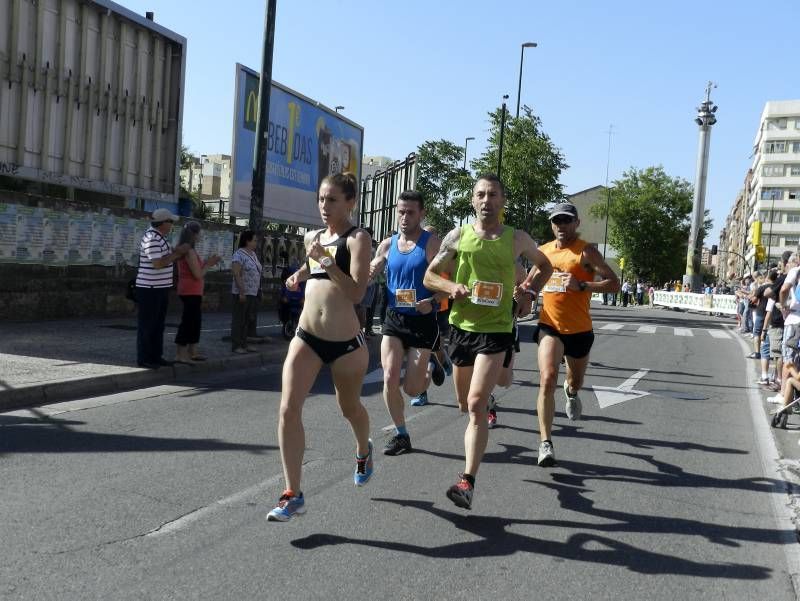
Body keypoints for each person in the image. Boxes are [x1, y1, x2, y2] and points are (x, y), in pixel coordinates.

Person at [423, 173, 553, 510]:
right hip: (461, 328)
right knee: (465, 405)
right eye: (480, 194)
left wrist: (528, 291)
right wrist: (451, 288)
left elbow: (545, 265)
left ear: (502, 201)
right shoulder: (458, 235)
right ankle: (485, 404)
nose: (486, 200)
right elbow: (430, 276)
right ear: (472, 200)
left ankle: (467, 481)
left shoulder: (516, 238)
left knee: (477, 404)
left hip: (496, 329)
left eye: (493, 194)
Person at [267, 173, 373, 522]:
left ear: (350, 203)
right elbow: (312, 262)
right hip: (307, 337)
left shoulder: (357, 239)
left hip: (346, 344)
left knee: (350, 408)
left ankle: (362, 449)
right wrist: (301, 272)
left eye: (332, 200)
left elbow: (357, 292)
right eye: (321, 199)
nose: (324, 207)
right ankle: (291, 493)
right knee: (287, 409)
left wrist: (326, 261)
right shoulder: (312, 236)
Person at [521, 202, 619, 467]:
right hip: (549, 325)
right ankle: (545, 443)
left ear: (576, 223)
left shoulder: (586, 251)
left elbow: (614, 283)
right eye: (556, 221)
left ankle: (572, 392)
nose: (560, 226)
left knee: (574, 381)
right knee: (547, 376)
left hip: (579, 330)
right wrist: (523, 291)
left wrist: (583, 285)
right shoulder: (543, 252)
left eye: (566, 220)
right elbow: (530, 283)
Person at [369, 190, 444, 456]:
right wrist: (371, 272)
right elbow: (367, 279)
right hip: (393, 319)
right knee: (389, 377)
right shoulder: (387, 246)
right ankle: (401, 435)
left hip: (422, 321)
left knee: (412, 388)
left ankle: (431, 366)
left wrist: (433, 300)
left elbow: (451, 284)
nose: (404, 217)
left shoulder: (432, 244)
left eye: (410, 212)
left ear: (421, 213)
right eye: (401, 211)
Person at [135, 208, 189, 369]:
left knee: (158, 324)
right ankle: (144, 358)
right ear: (163, 223)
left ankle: (156, 356)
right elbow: (157, 263)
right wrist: (177, 253)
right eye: (170, 222)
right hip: (150, 289)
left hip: (159, 288)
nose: (172, 225)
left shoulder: (160, 238)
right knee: (148, 325)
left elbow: (165, 256)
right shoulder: (152, 239)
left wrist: (176, 252)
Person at [174, 221, 221, 363]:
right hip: (190, 291)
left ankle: (192, 352)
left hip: (193, 291)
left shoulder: (189, 250)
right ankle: (180, 354)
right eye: (200, 232)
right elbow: (198, 274)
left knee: (195, 322)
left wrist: (206, 263)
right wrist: (209, 264)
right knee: (188, 322)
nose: (201, 235)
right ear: (194, 234)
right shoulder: (188, 251)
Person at [230, 230, 262, 354]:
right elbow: (236, 273)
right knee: (239, 319)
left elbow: (257, 272)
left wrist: (259, 289)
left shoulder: (253, 255)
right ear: (247, 241)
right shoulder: (239, 254)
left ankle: (244, 343)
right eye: (254, 240)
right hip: (242, 292)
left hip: (253, 292)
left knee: (248, 319)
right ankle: (236, 345)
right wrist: (241, 291)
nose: (256, 242)